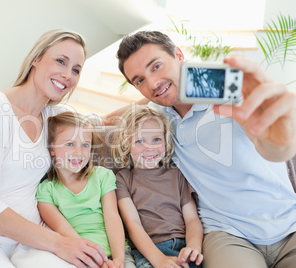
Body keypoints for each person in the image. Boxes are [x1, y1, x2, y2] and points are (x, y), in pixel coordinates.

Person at [107, 30, 296, 267]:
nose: (152, 83)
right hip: (227, 233)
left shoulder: (228, 95)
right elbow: (124, 111)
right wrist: (106, 117)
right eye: (139, 80)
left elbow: (275, 148)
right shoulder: (159, 124)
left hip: (289, 224)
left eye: (156, 66)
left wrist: (282, 136)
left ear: (178, 55)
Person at [0, 29, 109, 268]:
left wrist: (163, 99)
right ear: (36, 58)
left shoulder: (53, 117)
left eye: (76, 70)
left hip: (30, 244)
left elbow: (100, 121)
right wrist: (59, 243)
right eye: (61, 61)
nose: (68, 74)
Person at [36, 111, 135, 268]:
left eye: (85, 145)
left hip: (118, 252)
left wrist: (119, 260)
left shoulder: (102, 176)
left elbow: (113, 218)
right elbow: (63, 229)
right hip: (79, 256)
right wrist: (97, 261)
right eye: (69, 144)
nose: (79, 152)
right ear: (52, 149)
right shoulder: (46, 191)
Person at [111, 105, 203, 268]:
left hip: (183, 246)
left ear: (166, 142)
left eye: (156, 139)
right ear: (126, 145)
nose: (150, 147)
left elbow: (192, 219)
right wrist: (158, 259)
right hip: (149, 251)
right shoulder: (123, 178)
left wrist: (193, 246)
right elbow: (133, 224)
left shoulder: (177, 174)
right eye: (139, 141)